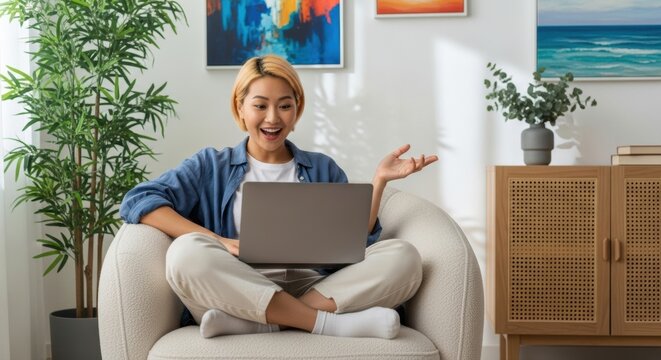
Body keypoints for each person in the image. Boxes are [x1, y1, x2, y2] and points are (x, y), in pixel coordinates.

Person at [119, 54, 438, 340]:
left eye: (285, 105)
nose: (273, 118)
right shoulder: (210, 165)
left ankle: (263, 322)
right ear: (240, 107)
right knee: (185, 253)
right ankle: (325, 324)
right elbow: (139, 199)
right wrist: (218, 240)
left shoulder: (322, 168)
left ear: (297, 109)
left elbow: (355, 244)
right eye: (260, 105)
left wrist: (379, 180)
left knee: (405, 256)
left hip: (315, 287)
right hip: (237, 286)